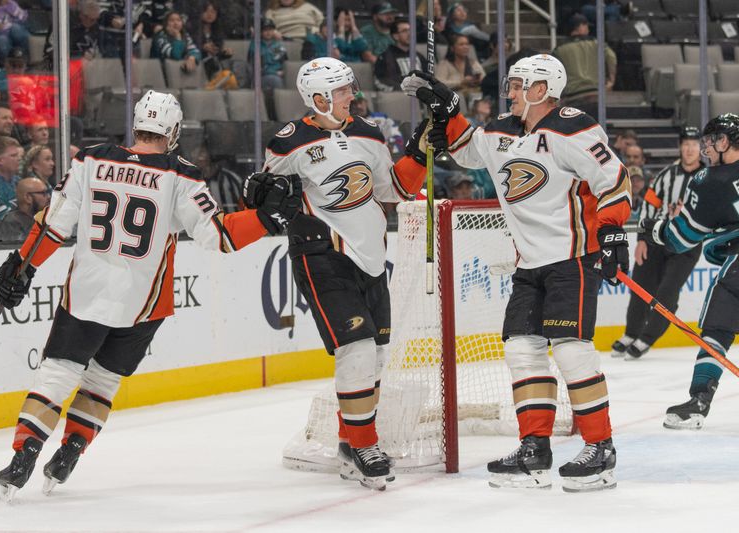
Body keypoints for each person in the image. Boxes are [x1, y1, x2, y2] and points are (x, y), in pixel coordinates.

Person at [0, 90, 301, 501]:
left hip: (87, 293)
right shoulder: (181, 173)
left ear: (135, 124)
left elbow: (54, 223)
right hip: (145, 304)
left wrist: (22, 264)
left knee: (58, 372)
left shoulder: (92, 158)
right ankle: (69, 451)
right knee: (102, 380)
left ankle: (25, 452)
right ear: (172, 131)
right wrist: (264, 218)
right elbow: (218, 237)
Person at [403, 54, 631, 492]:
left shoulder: (573, 128)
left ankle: (600, 449)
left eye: (516, 85)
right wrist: (446, 109)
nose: (507, 92)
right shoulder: (502, 130)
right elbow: (468, 150)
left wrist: (614, 235)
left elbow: (613, 180)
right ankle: (534, 449)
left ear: (541, 89)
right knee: (522, 350)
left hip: (571, 258)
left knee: (570, 350)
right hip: (528, 265)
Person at [266, 57, 429, 489]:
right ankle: (364, 444)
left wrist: (423, 146)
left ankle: (347, 441)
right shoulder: (288, 142)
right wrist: (267, 199)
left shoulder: (368, 133)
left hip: (372, 257)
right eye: (342, 92)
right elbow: (265, 201)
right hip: (321, 255)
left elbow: (394, 189)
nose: (351, 96)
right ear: (318, 98)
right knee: (355, 350)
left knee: (374, 356)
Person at [638, 114, 739, 430]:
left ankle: (699, 399)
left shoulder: (711, 181)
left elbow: (681, 239)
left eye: (710, 143)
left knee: (718, 323)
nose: (705, 150)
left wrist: (655, 229)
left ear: (724, 142)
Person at [612, 127, 704, 360]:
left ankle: (647, 337)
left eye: (694, 144)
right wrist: (642, 239)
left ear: (701, 148)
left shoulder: (708, 179)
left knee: (667, 292)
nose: (690, 148)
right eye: (686, 144)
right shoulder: (666, 175)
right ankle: (631, 333)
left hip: (687, 245)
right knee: (640, 288)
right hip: (657, 238)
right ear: (680, 147)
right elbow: (648, 208)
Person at [552, 13, 616, 121]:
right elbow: (612, 57)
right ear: (580, 26)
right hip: (595, 96)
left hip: (572, 98)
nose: (588, 30)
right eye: (586, 26)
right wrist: (611, 80)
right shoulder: (597, 44)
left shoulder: (559, 49)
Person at [374, 19, 428, 92]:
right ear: (395, 36)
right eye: (405, 31)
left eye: (410, 30)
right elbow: (380, 81)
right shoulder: (385, 57)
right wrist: (401, 90)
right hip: (400, 98)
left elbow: (429, 77)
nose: (409, 34)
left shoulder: (419, 56)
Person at [434, 33, 485, 106]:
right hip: (453, 100)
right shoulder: (445, 64)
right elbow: (439, 83)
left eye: (467, 44)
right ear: (452, 48)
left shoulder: (473, 63)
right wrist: (460, 82)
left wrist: (479, 80)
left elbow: (485, 79)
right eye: (461, 44)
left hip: (475, 97)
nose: (465, 47)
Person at [0, 176, 50, 240]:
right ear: (27, 197)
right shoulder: (12, 223)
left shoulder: (41, 219)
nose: (49, 197)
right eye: (43, 193)